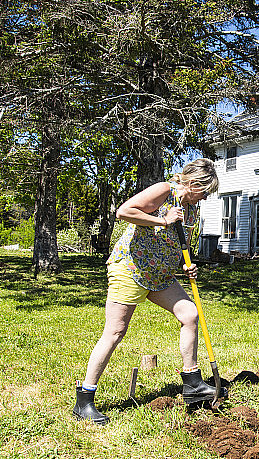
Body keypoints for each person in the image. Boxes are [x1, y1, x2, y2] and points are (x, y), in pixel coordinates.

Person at [73, 158, 226, 424]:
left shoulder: (191, 209)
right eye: (205, 191)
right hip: (131, 269)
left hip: (160, 275)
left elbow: (175, 245)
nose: (206, 197)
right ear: (192, 183)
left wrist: (185, 266)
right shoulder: (165, 191)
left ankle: (192, 383)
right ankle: (84, 400)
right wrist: (162, 220)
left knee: (190, 314)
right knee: (115, 332)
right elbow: (124, 211)